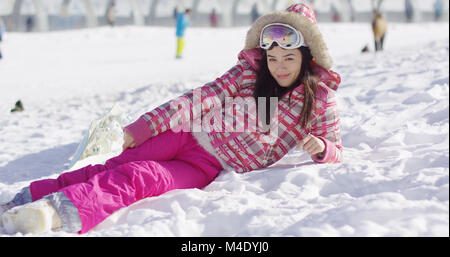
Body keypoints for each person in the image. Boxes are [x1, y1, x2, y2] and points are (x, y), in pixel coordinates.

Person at [1, 3, 342, 235]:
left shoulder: (317, 102)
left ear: (307, 57)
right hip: (185, 133)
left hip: (208, 166)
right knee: (115, 166)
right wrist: (143, 127)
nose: (279, 66)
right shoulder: (247, 74)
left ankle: (53, 214)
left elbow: (336, 148)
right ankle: (26, 199)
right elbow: (197, 100)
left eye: (288, 58)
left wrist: (322, 147)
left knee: (141, 178)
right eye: (273, 58)